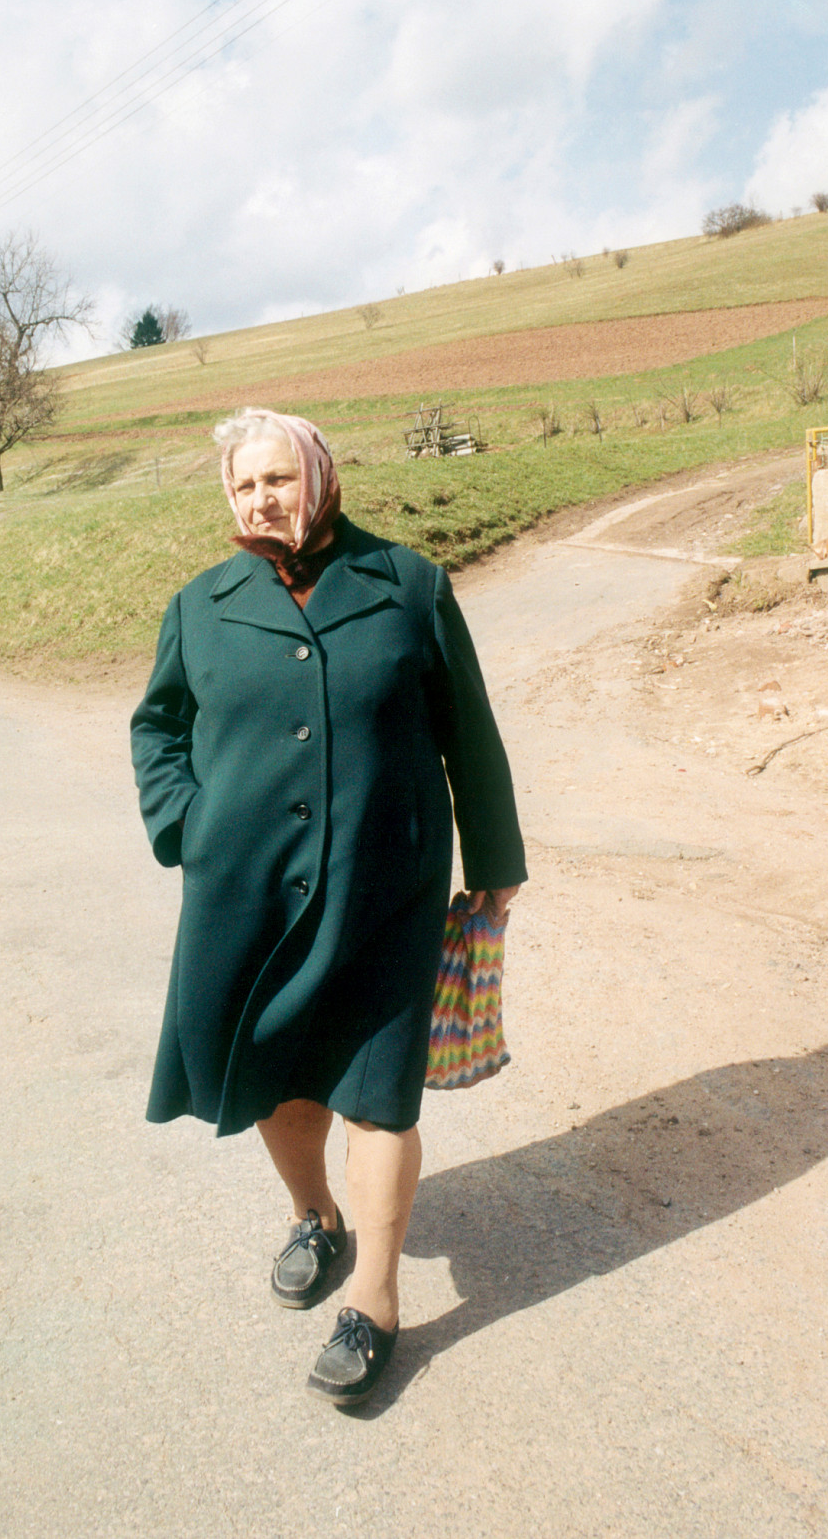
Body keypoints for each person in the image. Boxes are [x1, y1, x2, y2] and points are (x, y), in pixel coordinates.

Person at [130, 407, 525, 1405]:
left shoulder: (407, 585)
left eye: (277, 477)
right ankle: (317, 1216)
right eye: (243, 484)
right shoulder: (201, 605)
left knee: (380, 1088)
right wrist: (189, 825)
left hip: (385, 883)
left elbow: (466, 730)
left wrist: (496, 857)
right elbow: (158, 729)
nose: (262, 498)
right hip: (246, 889)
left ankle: (379, 1303)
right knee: (272, 1073)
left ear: (319, 473)